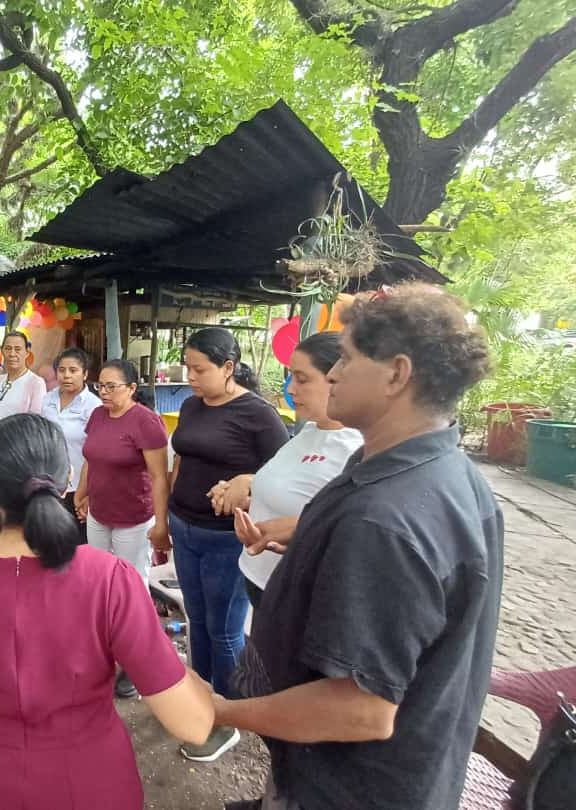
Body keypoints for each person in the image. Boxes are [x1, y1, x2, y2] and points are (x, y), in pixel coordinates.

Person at [221, 283, 499, 810]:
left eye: (345, 360)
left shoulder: (385, 520)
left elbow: (359, 709)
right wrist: (310, 548)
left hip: (352, 787)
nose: (332, 375)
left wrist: (219, 711)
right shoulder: (437, 470)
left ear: (396, 374)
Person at [0, 413, 216, 810]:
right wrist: (197, 686)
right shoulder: (108, 578)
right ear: (68, 479)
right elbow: (191, 723)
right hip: (93, 782)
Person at [168, 327, 288, 763]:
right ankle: (202, 704)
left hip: (225, 540)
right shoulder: (190, 405)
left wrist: (248, 486)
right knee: (196, 620)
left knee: (224, 630)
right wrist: (166, 514)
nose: (192, 377)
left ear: (229, 368)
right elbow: (180, 459)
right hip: (184, 527)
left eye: (200, 369)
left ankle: (228, 719)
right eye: (188, 368)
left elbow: (282, 477)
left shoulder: (258, 415)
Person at [207, 332, 362, 607]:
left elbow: (352, 531)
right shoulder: (309, 432)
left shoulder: (355, 450)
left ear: (339, 378)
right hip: (259, 577)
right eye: (291, 377)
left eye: (302, 379)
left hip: (297, 594)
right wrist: (241, 493)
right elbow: (296, 497)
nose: (290, 389)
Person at [74, 359, 169, 699]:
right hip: (100, 513)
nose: (105, 392)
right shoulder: (99, 415)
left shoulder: (146, 422)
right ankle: (102, 651)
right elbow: (90, 458)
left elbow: (160, 477)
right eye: (101, 385)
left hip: (134, 517)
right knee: (98, 583)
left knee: (134, 588)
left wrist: (161, 524)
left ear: (131, 388)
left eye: (112, 386)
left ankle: (135, 663)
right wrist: (82, 491)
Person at [40, 347, 100, 532]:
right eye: (61, 370)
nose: (66, 375)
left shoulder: (93, 406)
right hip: (49, 483)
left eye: (73, 370)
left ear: (85, 374)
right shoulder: (47, 399)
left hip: (78, 488)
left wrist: (87, 493)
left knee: (76, 543)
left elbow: (97, 454)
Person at [0, 331, 46, 425]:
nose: (12, 354)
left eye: (18, 349)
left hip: (19, 438)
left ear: (27, 353)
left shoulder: (36, 383)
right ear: (2, 350)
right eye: (8, 348)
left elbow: (35, 422)